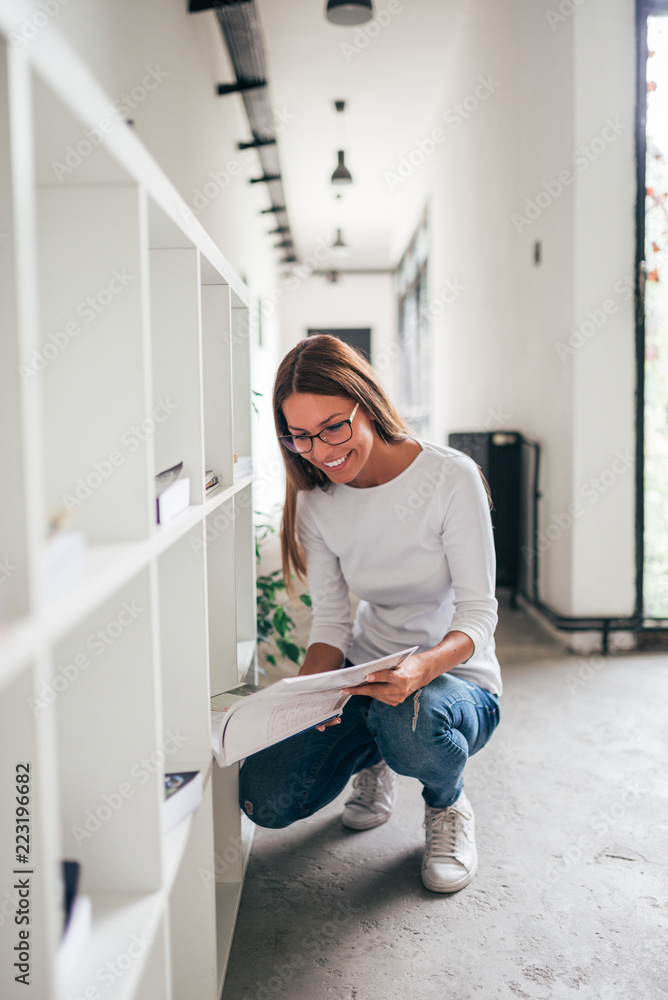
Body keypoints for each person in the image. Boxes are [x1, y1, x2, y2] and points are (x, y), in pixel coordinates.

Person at [240, 334, 502, 893]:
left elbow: (478, 616)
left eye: (333, 426)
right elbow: (332, 623)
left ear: (367, 402)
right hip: (364, 675)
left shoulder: (450, 478)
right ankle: (374, 762)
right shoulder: (316, 503)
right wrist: (302, 699)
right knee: (264, 793)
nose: (320, 449)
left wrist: (419, 670)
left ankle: (446, 804)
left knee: (407, 718)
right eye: (300, 436)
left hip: (453, 683)